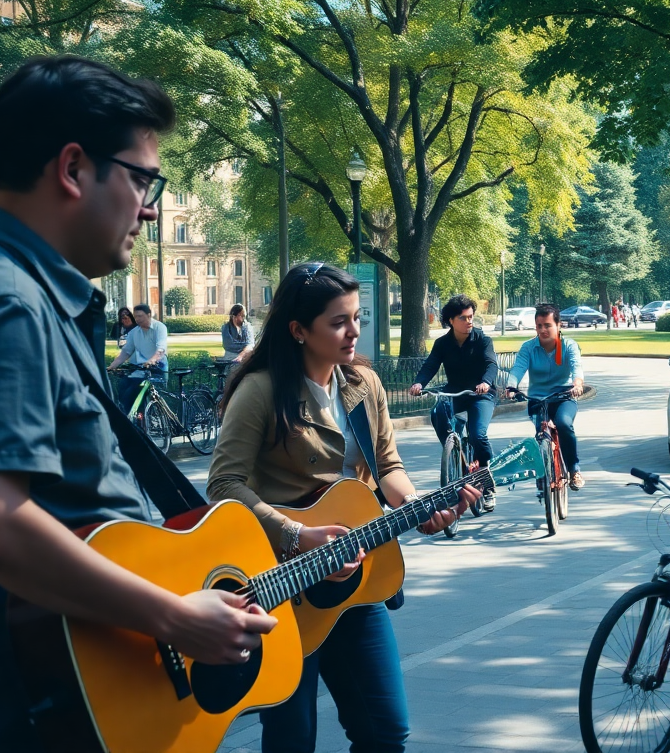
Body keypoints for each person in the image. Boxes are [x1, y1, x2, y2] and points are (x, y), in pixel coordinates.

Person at [0, 55, 277, 753]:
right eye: (144, 179)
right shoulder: (9, 300)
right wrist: (176, 617)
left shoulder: (35, 296)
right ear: (74, 168)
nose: (151, 208)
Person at [208, 262, 473, 753]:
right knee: (293, 740)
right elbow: (223, 484)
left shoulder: (363, 385)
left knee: (386, 731)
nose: (354, 332)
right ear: (299, 330)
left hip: (355, 581)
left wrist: (418, 504)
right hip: (283, 588)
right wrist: (294, 532)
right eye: (338, 322)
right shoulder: (262, 389)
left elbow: (388, 466)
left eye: (356, 317)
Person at [408, 294, 499, 509]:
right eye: (463, 318)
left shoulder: (483, 340)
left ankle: (487, 484)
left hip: (480, 394)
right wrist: (419, 383)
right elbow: (430, 365)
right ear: (451, 320)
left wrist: (486, 382)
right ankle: (454, 452)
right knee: (437, 412)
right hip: (455, 392)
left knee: (478, 435)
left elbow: (491, 364)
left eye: (470, 317)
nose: (469, 322)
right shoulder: (442, 344)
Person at [506, 303, 587, 490]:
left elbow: (577, 367)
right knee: (541, 433)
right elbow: (518, 368)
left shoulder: (568, 346)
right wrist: (511, 386)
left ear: (558, 326)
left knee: (564, 423)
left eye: (548, 325)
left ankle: (574, 470)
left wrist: (577, 384)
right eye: (539, 325)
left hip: (564, 398)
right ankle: (543, 471)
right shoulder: (528, 348)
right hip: (538, 400)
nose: (543, 330)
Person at [106, 302, 168, 412]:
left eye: (140, 316)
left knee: (135, 391)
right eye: (135, 316)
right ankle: (131, 419)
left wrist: (152, 360)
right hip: (141, 368)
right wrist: (111, 366)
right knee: (123, 385)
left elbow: (161, 349)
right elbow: (126, 352)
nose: (137, 319)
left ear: (149, 315)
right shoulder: (134, 332)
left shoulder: (160, 328)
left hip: (158, 367)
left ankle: (156, 419)